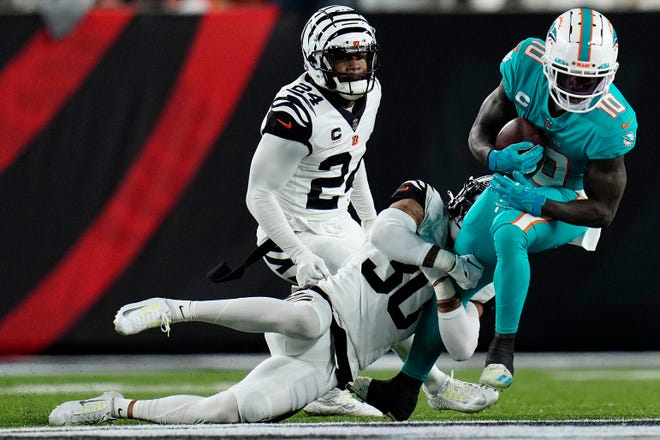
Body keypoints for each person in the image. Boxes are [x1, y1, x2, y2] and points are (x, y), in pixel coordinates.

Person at [48, 180, 498, 426]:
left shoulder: (480, 274)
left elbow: (461, 345)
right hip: (329, 302)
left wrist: (445, 283)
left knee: (227, 411)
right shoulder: (428, 202)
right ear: (466, 209)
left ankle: (116, 406)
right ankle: (175, 308)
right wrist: (439, 258)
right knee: (303, 319)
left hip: (339, 364)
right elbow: (383, 233)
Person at [356, 8, 637, 400]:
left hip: (569, 199)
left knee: (510, 231)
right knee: (461, 274)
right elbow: (480, 131)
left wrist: (541, 203)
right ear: (550, 62)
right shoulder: (525, 63)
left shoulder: (613, 122)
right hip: (514, 184)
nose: (576, 87)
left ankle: (502, 351)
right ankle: (405, 389)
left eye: (588, 80)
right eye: (569, 74)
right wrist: (494, 159)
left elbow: (603, 211)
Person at [240, 4, 481, 416]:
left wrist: (370, 222)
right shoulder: (296, 110)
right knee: (386, 288)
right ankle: (432, 384)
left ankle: (319, 379)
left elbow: (353, 157)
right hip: (290, 232)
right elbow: (258, 194)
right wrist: (299, 254)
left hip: (336, 222)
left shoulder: (372, 93)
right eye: (342, 57)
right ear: (317, 59)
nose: (353, 66)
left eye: (360, 56)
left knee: (390, 285)